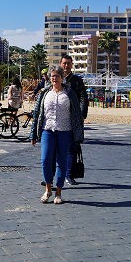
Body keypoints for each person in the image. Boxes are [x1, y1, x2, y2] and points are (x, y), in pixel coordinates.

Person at [30, 65, 84, 205]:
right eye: (52, 76)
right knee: (45, 160)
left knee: (62, 161)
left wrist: (78, 136)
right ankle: (48, 189)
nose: (55, 78)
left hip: (65, 132)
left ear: (62, 77)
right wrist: (33, 134)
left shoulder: (69, 93)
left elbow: (77, 115)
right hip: (47, 130)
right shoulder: (45, 93)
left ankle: (58, 192)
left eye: (57, 76)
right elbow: (37, 114)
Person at [61, 55, 88, 186]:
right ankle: (53, 175)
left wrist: (82, 115)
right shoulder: (56, 78)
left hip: (73, 118)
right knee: (56, 148)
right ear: (60, 64)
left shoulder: (77, 80)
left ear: (72, 65)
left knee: (72, 147)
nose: (66, 66)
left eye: (68, 63)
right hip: (58, 118)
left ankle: (69, 174)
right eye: (64, 63)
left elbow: (83, 97)